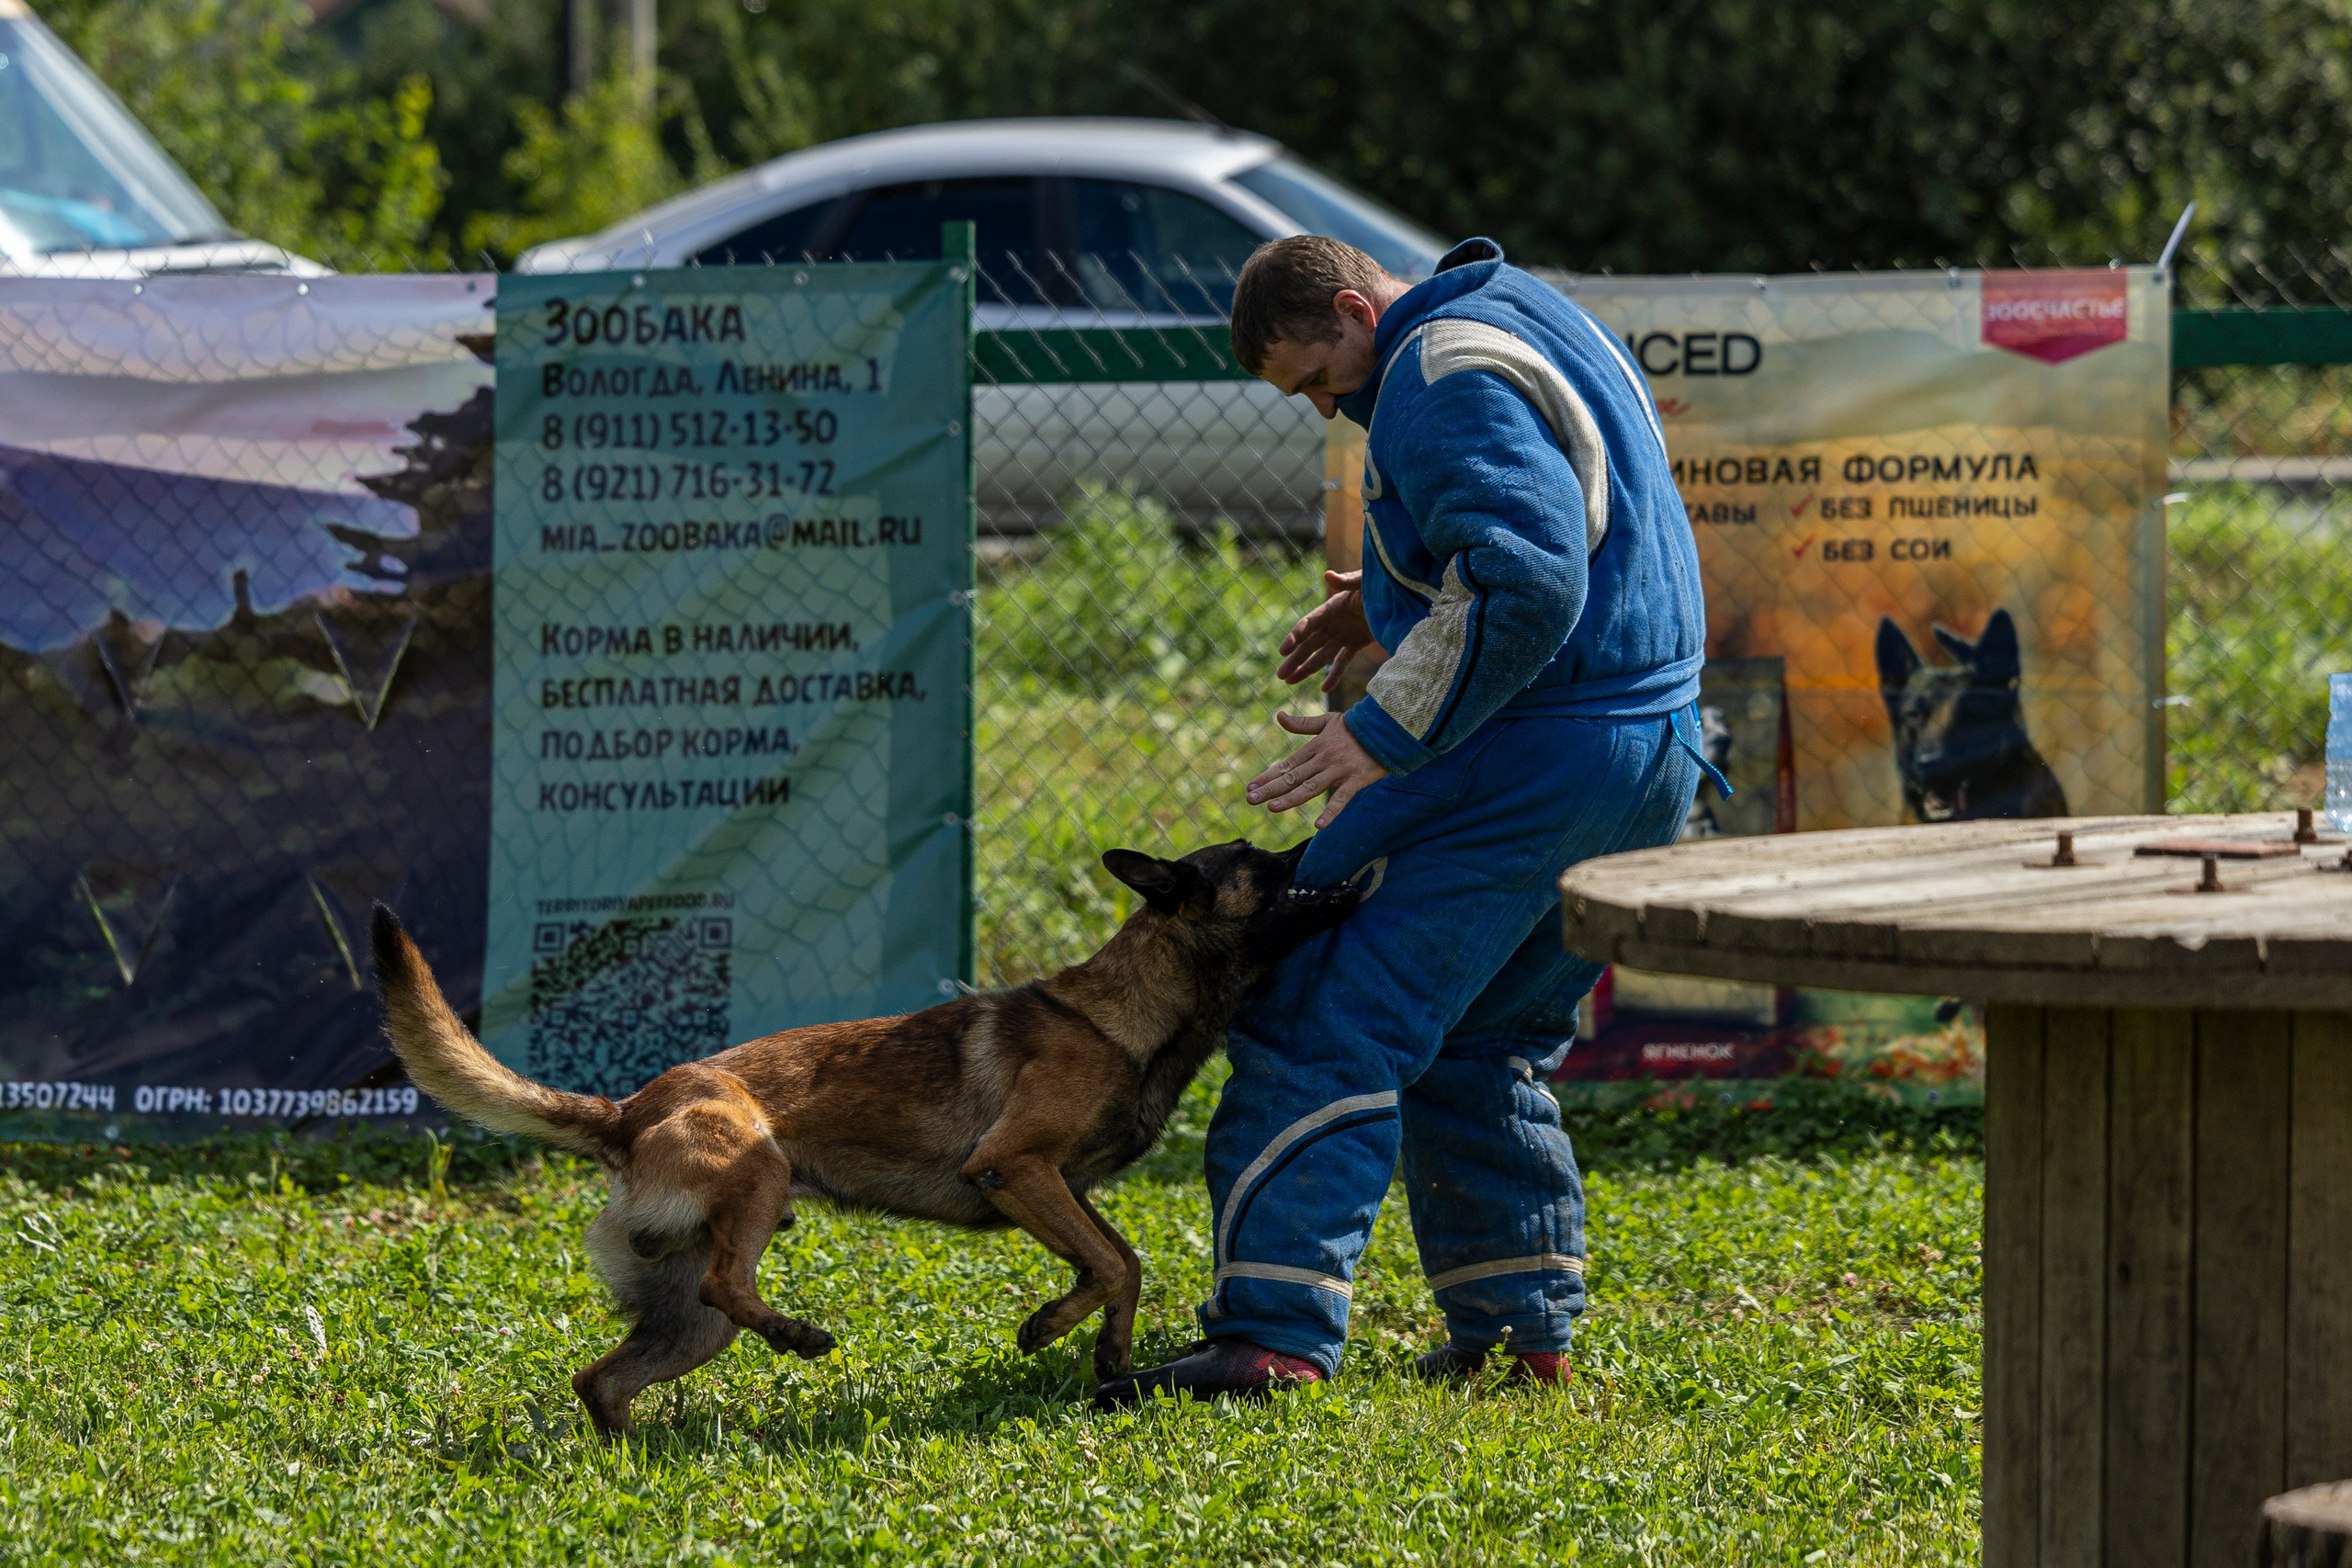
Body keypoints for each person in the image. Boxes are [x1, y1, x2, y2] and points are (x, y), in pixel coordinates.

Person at [1093, 234, 1718, 1405]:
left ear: (1350, 308)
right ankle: (1520, 1332)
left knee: (1316, 1009)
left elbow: (1531, 577)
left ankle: (1271, 1335)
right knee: (1480, 1035)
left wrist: (1378, 730)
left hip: (1529, 757)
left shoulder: (1430, 372)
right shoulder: (1526, 305)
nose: (1330, 412)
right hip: (1649, 747)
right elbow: (1594, 510)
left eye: (1319, 381)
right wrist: (1389, 601)